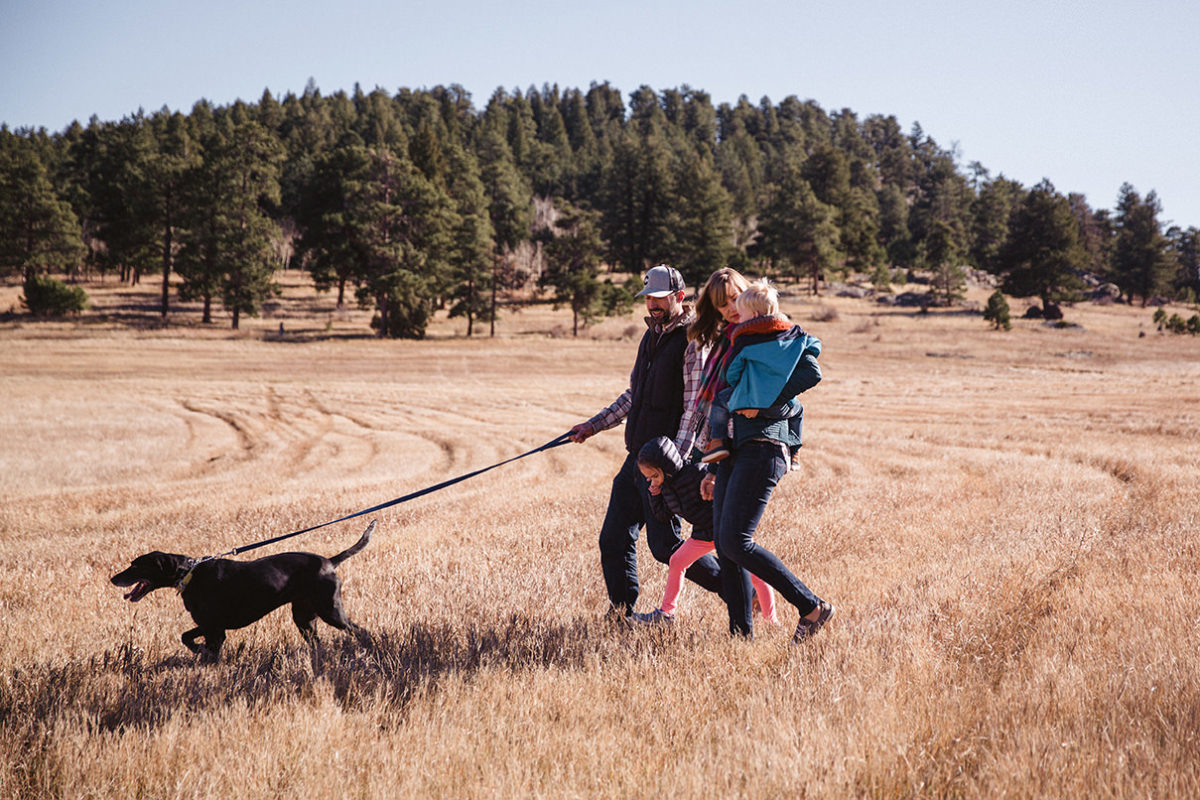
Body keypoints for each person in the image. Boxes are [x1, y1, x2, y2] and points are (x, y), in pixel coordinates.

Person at [568, 265, 723, 618]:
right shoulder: (651, 336)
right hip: (637, 455)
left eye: (658, 298)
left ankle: (738, 589)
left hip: (665, 461)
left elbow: (694, 405)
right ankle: (622, 612)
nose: (652, 304)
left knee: (666, 546)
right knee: (613, 537)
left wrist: (675, 461)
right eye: (648, 298)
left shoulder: (691, 339)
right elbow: (634, 396)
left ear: (679, 297)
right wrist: (593, 426)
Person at [698, 277, 834, 642]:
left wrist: (768, 399)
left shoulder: (785, 335)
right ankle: (740, 636)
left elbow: (812, 372)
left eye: (732, 302)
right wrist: (712, 467)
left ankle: (812, 606)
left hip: (764, 446)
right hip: (734, 449)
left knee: (737, 541)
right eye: (721, 305)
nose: (728, 310)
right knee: (726, 548)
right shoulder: (738, 338)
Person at [631, 436, 777, 626]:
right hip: (702, 534)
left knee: (755, 574)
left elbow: (726, 493)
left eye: (654, 476)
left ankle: (772, 622)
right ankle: (666, 613)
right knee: (677, 560)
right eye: (649, 478)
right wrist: (655, 495)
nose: (652, 481)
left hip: (724, 529)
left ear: (666, 468)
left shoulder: (698, 473)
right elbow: (662, 516)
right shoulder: (665, 488)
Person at [700, 283, 803, 466]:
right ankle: (795, 450)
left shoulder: (744, 337)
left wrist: (749, 394)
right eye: (724, 304)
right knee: (798, 410)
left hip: (749, 405)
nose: (733, 310)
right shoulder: (788, 333)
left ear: (753, 314)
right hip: (780, 406)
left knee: (720, 401)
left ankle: (717, 441)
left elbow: (733, 371)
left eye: (735, 301)